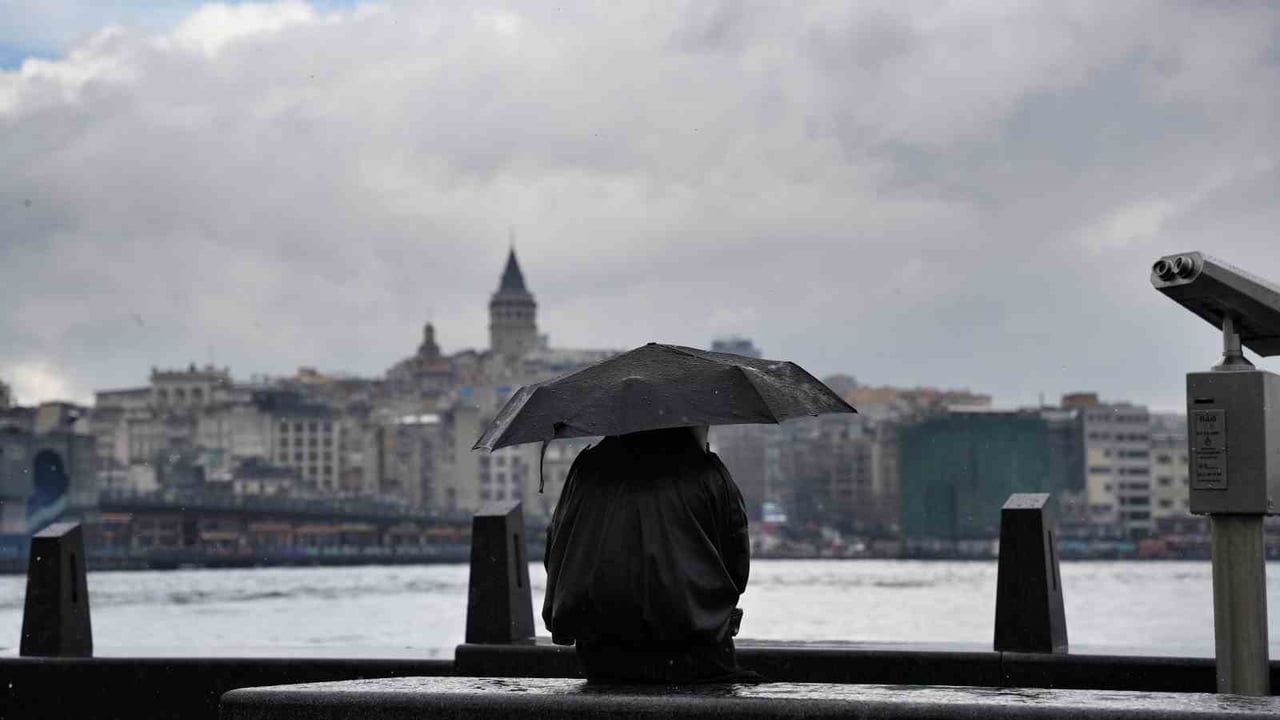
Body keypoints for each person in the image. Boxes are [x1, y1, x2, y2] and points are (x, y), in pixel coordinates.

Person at [542, 425, 758, 683]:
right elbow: (737, 569)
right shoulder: (705, 471)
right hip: (695, 653)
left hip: (602, 657)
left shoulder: (585, 470)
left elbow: (556, 553)